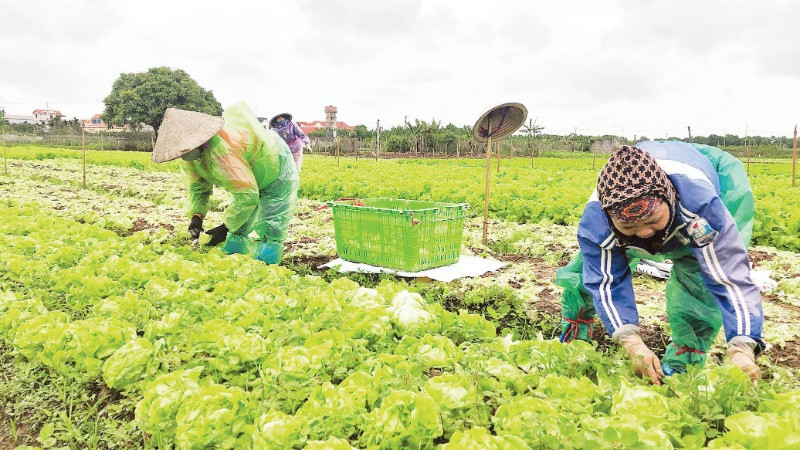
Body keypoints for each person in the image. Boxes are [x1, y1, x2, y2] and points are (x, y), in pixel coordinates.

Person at [555, 141, 764, 385]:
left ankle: (685, 360)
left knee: (698, 277)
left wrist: (742, 346)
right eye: (629, 226)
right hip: (648, 185)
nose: (644, 233)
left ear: (668, 198)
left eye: (653, 220)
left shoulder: (701, 209)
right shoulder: (597, 223)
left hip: (706, 175)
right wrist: (631, 343)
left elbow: (729, 276)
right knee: (587, 271)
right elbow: (604, 280)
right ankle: (575, 333)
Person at [151, 102, 299, 264]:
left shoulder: (223, 151)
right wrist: (197, 216)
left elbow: (247, 194)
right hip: (251, 171)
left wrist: (225, 227)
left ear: (199, 143)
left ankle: (268, 262)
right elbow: (198, 188)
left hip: (274, 164)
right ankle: (236, 255)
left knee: (273, 219)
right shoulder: (193, 157)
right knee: (240, 223)